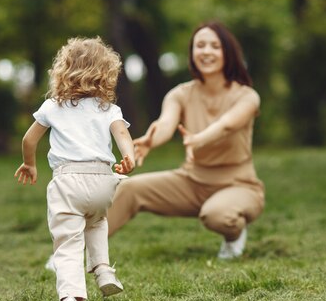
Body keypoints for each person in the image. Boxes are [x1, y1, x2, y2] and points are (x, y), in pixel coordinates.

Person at [107, 21, 265, 259]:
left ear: (227, 53)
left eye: (215, 46)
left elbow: (227, 125)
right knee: (129, 188)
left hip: (238, 184)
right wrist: (152, 141)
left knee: (217, 214)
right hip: (192, 182)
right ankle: (72, 253)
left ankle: (234, 236)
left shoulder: (246, 96)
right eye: (200, 45)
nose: (206, 51)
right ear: (192, 53)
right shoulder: (180, 94)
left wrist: (198, 140)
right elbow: (166, 124)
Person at [14, 36, 135, 301]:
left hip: (68, 181)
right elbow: (122, 135)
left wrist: (29, 164)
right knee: (97, 221)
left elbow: (29, 140)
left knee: (67, 241)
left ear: (63, 71)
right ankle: (103, 269)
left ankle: (70, 300)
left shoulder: (52, 107)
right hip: (104, 180)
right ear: (106, 74)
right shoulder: (108, 109)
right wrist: (129, 157)